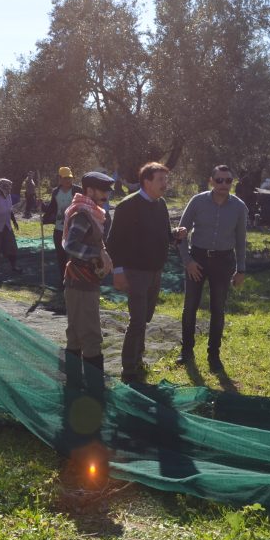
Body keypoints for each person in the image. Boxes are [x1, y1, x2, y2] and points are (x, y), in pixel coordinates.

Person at [106, 162, 187, 383]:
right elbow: (114, 242)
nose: (165, 184)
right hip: (135, 272)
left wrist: (175, 234)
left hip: (155, 271)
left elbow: (164, 235)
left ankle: (138, 359)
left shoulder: (161, 204)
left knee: (145, 318)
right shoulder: (127, 206)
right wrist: (118, 272)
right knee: (138, 320)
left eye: (166, 179)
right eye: (161, 179)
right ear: (146, 181)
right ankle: (129, 370)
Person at [176, 165, 248, 373]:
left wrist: (241, 269)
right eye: (219, 180)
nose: (224, 184)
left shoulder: (239, 207)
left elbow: (241, 240)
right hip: (197, 259)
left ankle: (213, 355)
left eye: (228, 181)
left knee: (218, 308)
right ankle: (186, 351)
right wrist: (188, 261)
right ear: (211, 181)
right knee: (190, 306)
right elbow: (180, 234)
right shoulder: (197, 201)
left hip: (223, 261)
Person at [62, 171, 115, 381]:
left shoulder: (94, 213)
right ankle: (94, 389)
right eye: (103, 191)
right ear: (89, 191)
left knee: (75, 334)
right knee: (90, 336)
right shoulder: (83, 214)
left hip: (83, 281)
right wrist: (98, 254)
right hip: (80, 281)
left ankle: (73, 384)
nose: (107, 195)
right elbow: (71, 246)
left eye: (108, 191)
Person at [42, 167, 82, 288]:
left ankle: (75, 280)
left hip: (74, 229)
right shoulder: (56, 192)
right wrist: (42, 208)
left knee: (74, 256)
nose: (68, 180)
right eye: (65, 178)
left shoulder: (78, 190)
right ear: (59, 178)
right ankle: (64, 280)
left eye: (69, 178)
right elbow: (52, 208)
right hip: (59, 229)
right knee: (61, 256)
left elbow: (83, 207)